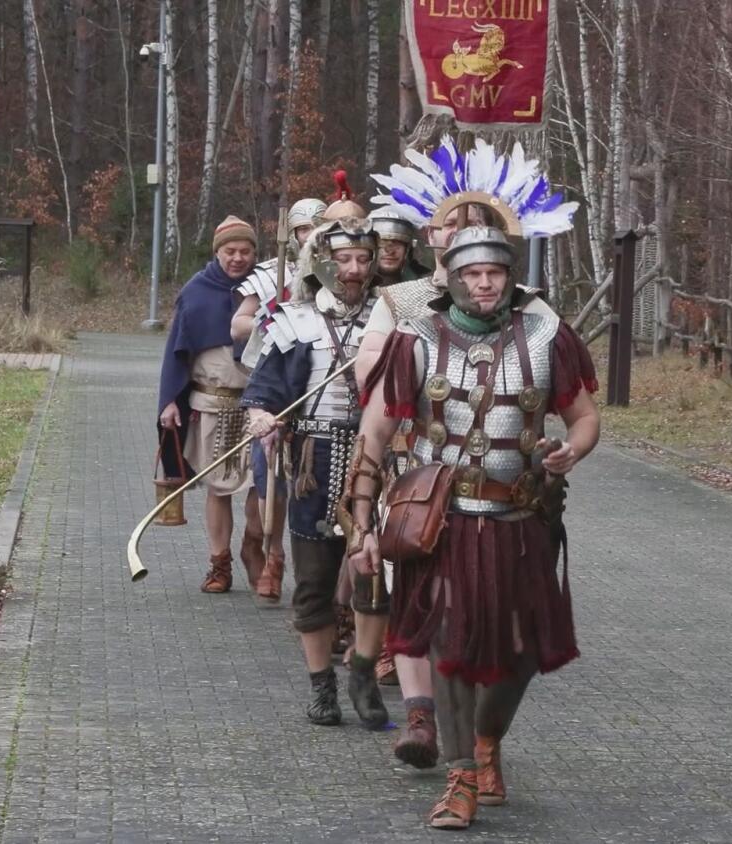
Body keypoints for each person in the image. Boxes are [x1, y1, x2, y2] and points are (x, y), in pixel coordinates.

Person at [346, 224, 599, 830]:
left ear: (510, 278)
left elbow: (585, 417)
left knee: (521, 650)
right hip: (444, 521)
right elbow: (374, 434)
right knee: (449, 643)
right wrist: (361, 525)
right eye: (472, 274)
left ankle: (487, 740)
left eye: (494, 273)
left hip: (522, 520)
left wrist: (573, 449)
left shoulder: (547, 336)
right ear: (453, 279)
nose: (484, 283)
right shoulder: (415, 339)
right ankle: (460, 776)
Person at [356, 141, 573, 772]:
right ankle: (426, 719)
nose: (464, 238)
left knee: (508, 631)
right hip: (421, 473)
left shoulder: (533, 312)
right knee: (430, 609)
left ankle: (481, 738)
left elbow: (563, 393)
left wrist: (563, 449)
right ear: (435, 237)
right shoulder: (404, 305)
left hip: (511, 491)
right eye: (452, 226)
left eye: (476, 226)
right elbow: (374, 397)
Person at [240, 215, 391, 728]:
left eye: (363, 259)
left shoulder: (392, 318)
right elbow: (262, 391)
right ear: (322, 262)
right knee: (314, 580)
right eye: (344, 259)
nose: (354, 269)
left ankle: (363, 673)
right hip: (315, 460)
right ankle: (321, 684)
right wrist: (261, 417)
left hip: (378, 460)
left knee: (375, 577)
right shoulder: (295, 320)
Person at [156, 216, 268, 594]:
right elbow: (176, 352)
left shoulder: (266, 287)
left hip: (259, 407)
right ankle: (219, 564)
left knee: (262, 483)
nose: (238, 258)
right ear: (217, 252)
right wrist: (169, 401)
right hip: (211, 404)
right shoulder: (196, 291)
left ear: (255, 253)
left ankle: (254, 543)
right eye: (230, 251)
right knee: (218, 488)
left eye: (245, 251)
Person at [227, 197, 327, 603]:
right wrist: (275, 319)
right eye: (303, 229)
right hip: (277, 385)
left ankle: (309, 566)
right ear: (294, 233)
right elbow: (238, 325)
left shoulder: (341, 272)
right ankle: (271, 553)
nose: (309, 237)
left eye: (317, 229)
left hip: (321, 386)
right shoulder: (273, 273)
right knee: (269, 473)